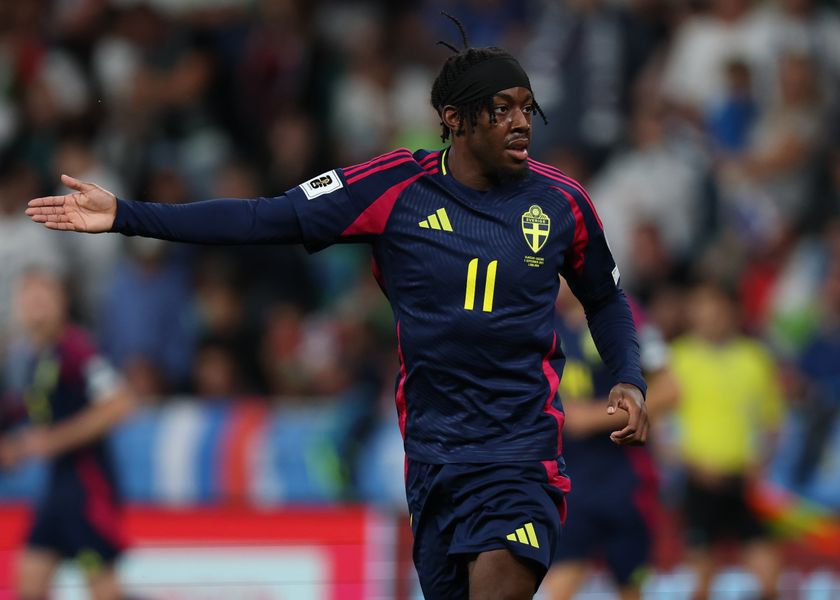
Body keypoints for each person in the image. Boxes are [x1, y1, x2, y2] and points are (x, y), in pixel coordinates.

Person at [25, 20, 648, 599]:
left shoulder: (562, 203)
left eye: (525, 106)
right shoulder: (393, 188)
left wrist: (628, 374)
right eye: (501, 108)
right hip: (433, 461)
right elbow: (261, 218)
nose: (522, 122)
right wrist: (127, 216)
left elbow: (605, 297)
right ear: (454, 119)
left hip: (521, 454)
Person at [0, 269, 136, 600]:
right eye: (30, 298)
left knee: (105, 591)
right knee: (30, 582)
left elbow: (120, 404)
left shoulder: (78, 350)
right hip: (57, 490)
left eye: (44, 298)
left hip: (88, 490)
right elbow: (25, 413)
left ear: (62, 302)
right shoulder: (28, 358)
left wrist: (52, 441)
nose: (36, 306)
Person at [543, 286, 678, 600]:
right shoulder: (539, 317)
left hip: (627, 482)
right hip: (568, 482)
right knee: (558, 590)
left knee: (630, 589)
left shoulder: (625, 314)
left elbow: (669, 389)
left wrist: (593, 417)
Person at [670, 280, 783, 600]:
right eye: (701, 309)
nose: (708, 316)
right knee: (700, 582)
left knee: (769, 575)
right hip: (699, 482)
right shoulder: (678, 359)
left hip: (743, 482)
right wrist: (689, 462)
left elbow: (772, 421)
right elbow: (660, 426)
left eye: (714, 308)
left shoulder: (755, 358)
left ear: (732, 311)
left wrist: (760, 462)